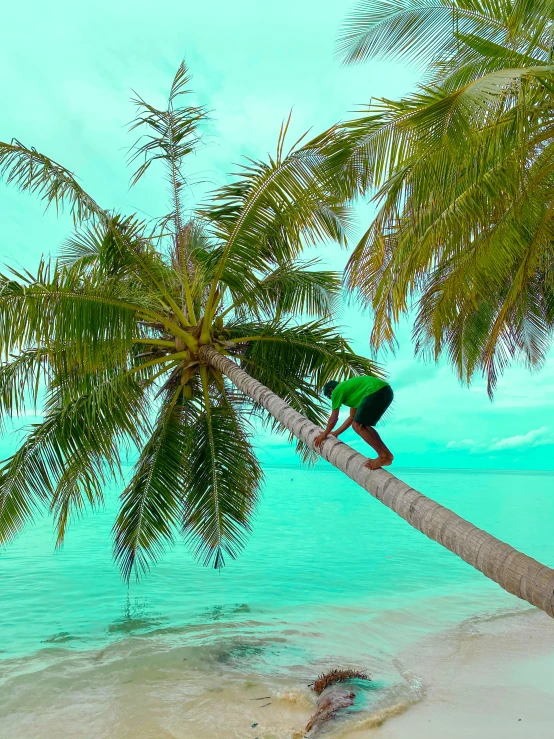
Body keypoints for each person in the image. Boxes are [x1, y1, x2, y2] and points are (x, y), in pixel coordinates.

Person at [314, 375, 394, 470]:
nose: (332, 399)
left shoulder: (337, 390)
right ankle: (387, 456)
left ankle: (383, 456)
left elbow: (334, 417)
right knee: (363, 425)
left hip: (375, 391)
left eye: (329, 397)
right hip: (386, 391)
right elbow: (352, 417)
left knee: (358, 426)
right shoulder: (353, 393)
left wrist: (325, 434)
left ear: (331, 390)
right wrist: (335, 433)